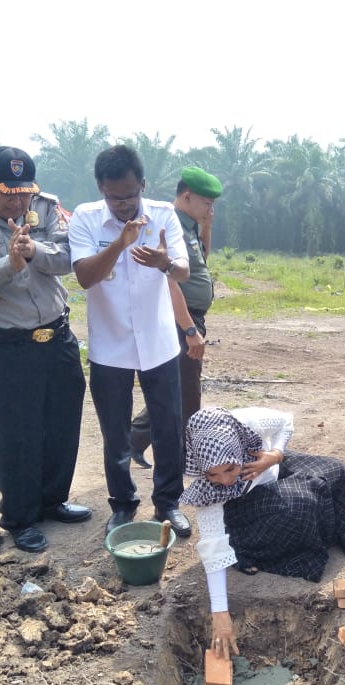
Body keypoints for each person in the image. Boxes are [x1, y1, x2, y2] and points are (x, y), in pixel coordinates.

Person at [0, 147, 90, 553]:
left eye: (24, 192)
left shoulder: (48, 208)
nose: (18, 201)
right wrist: (8, 264)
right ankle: (21, 517)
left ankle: (52, 499)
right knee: (16, 434)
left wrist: (34, 252)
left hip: (57, 336)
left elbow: (71, 255)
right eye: (8, 192)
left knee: (62, 424)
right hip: (8, 344)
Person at [69, 145, 192, 539]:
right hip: (110, 346)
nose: (122, 205)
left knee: (168, 427)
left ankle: (169, 503)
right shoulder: (86, 219)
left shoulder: (164, 215)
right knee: (116, 432)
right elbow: (86, 277)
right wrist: (119, 244)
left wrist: (165, 264)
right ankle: (122, 505)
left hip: (158, 343)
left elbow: (184, 271)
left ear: (142, 184)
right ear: (101, 189)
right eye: (113, 197)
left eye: (129, 195)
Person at [180, 406, 345, 658]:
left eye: (231, 469)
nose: (226, 480)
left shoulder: (246, 424)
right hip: (241, 512)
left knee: (334, 469)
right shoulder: (212, 491)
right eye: (214, 474)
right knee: (300, 504)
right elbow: (212, 550)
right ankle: (243, 550)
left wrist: (274, 455)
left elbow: (285, 422)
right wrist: (220, 613)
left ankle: (330, 535)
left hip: (271, 470)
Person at [130, 166, 223, 469]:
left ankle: (132, 440)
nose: (211, 208)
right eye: (207, 202)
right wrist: (189, 328)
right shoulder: (172, 226)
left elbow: (201, 262)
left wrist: (207, 226)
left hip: (191, 317)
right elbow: (170, 281)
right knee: (187, 394)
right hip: (180, 318)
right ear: (186, 196)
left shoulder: (191, 224)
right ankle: (184, 458)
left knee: (179, 386)